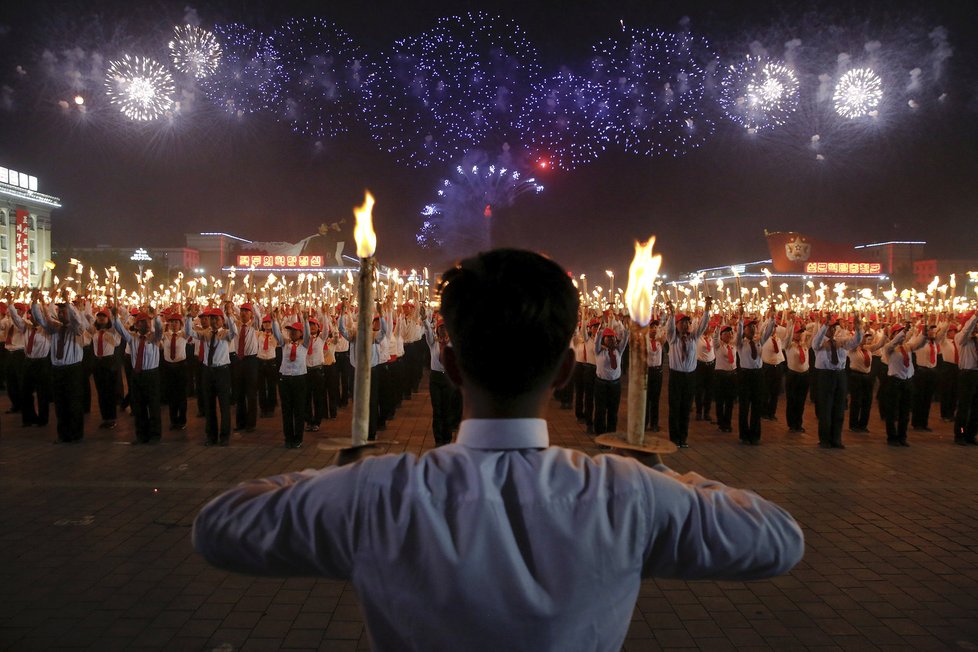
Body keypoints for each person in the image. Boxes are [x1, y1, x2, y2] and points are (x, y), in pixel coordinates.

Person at [193, 249, 804, 652]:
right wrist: (663, 474)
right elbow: (779, 539)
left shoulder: (380, 491)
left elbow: (218, 527)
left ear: (452, 366)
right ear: (566, 371)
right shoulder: (627, 493)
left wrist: (336, 475)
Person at [33, 294, 87, 444]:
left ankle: (76, 433)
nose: (60, 313)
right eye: (59, 311)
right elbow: (40, 319)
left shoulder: (76, 329)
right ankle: (63, 434)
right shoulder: (55, 328)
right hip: (58, 369)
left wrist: (69, 304)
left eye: (63, 311)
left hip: (72, 370)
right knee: (60, 403)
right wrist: (35, 302)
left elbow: (76, 320)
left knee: (73, 402)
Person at [665, 297, 712, 448]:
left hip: (690, 376)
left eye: (688, 322)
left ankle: (683, 438)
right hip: (676, 376)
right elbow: (669, 328)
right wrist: (672, 314)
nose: (686, 325)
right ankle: (674, 438)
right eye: (682, 322)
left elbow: (703, 325)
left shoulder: (693, 338)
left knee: (686, 408)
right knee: (675, 408)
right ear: (677, 325)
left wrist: (706, 309)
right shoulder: (673, 339)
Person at [113, 306, 164, 444]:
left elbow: (160, 330)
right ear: (137, 324)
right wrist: (115, 317)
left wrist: (156, 317)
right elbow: (121, 330)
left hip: (151, 375)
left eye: (147, 321)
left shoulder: (154, 338)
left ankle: (155, 435)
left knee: (153, 406)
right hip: (138, 375)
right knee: (139, 406)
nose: (146, 324)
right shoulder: (133, 339)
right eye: (142, 321)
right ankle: (141, 435)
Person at [812, 315, 863, 449]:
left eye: (834, 328)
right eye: (830, 328)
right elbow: (816, 343)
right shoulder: (820, 342)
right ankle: (824, 440)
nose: (832, 330)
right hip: (825, 375)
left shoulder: (841, 341)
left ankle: (836, 439)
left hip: (840, 375)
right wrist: (825, 326)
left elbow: (856, 341)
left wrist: (858, 328)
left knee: (839, 408)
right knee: (826, 409)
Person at [272, 307, 311, 449]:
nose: (292, 333)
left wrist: (306, 321)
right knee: (287, 410)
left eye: (295, 331)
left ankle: (298, 438)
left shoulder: (304, 345)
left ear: (300, 333)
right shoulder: (285, 344)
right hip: (285, 379)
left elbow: (308, 335)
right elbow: (277, 334)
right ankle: (288, 437)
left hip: (299, 379)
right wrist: (274, 320)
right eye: (290, 331)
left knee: (299, 410)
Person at [736, 310, 776, 445]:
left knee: (756, 405)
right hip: (745, 375)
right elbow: (738, 332)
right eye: (750, 327)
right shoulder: (741, 343)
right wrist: (741, 319)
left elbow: (769, 331)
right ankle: (744, 434)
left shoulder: (759, 341)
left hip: (758, 374)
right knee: (744, 406)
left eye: (754, 327)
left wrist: (772, 318)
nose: (753, 329)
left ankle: (755, 434)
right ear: (745, 329)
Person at [883, 321, 925, 447]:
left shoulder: (907, 346)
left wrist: (925, 332)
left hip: (907, 380)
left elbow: (919, 343)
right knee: (892, 411)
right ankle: (892, 437)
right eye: (898, 332)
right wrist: (903, 332)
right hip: (894, 381)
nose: (902, 335)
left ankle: (902, 436)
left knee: (905, 411)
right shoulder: (889, 348)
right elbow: (895, 341)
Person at [592, 326, 628, 435]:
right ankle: (600, 434)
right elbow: (596, 342)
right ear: (604, 339)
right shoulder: (599, 351)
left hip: (615, 385)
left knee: (613, 411)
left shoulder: (618, 351)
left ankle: (611, 434)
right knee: (600, 411)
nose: (611, 339)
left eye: (613, 337)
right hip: (601, 385)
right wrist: (600, 332)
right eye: (608, 337)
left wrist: (626, 330)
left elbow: (625, 339)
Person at [911, 322, 942, 432]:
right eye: (930, 330)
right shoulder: (920, 343)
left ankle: (924, 423)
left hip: (931, 371)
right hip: (921, 372)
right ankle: (916, 422)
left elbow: (942, 332)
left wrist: (947, 321)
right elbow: (918, 340)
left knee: (928, 399)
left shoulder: (933, 342)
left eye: (933, 331)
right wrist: (922, 333)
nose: (932, 332)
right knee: (919, 398)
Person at [783, 323, 811, 433]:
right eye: (797, 333)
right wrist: (791, 325)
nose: (799, 335)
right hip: (793, 375)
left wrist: (818, 322)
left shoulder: (804, 345)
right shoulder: (789, 345)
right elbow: (787, 339)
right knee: (792, 400)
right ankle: (791, 423)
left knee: (801, 401)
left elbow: (814, 336)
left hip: (804, 375)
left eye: (800, 333)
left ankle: (799, 423)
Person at [712, 322, 738, 433]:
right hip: (720, 376)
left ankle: (728, 422)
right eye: (726, 333)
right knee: (720, 401)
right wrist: (718, 327)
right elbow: (715, 338)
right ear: (722, 335)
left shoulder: (733, 346)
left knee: (729, 401)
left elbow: (739, 334)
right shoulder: (718, 346)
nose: (728, 335)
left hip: (731, 375)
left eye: (730, 333)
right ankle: (721, 422)